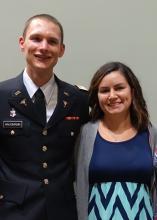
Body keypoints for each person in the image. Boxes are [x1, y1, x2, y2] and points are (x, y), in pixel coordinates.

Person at [0, 14, 89, 220]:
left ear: (61, 50)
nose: (43, 47)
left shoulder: (79, 100)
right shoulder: (2, 96)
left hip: (63, 212)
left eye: (52, 41)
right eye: (36, 38)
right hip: (12, 212)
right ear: (22, 43)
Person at [75, 61, 157, 220]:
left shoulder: (150, 134)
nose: (112, 96)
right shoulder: (85, 134)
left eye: (119, 88)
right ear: (97, 96)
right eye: (105, 90)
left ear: (132, 92)